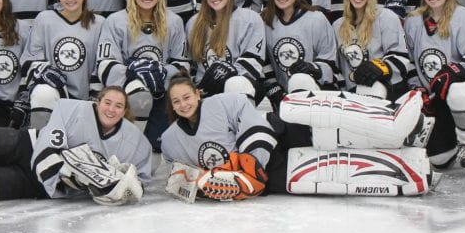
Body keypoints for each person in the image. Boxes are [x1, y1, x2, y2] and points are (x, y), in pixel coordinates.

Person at [160, 75, 433, 200]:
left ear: (197, 93)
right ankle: (407, 167)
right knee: (333, 170)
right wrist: (210, 186)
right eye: (177, 102)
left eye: (187, 97)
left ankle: (396, 124)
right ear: (171, 106)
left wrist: (251, 162)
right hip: (264, 178)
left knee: (329, 125)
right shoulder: (171, 140)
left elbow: (250, 117)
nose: (183, 104)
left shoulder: (221, 103)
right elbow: (179, 178)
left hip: (278, 135)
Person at [0, 86, 152, 204]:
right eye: (107, 102)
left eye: (118, 106)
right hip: (25, 144)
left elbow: (139, 183)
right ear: (98, 103)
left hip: (34, 185)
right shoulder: (73, 109)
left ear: (124, 112)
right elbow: (47, 148)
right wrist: (70, 173)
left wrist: (119, 188)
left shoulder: (135, 142)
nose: (111, 109)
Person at [403, 0, 465, 170]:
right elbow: (409, 61)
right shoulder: (413, 21)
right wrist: (418, 89)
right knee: (439, 159)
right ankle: (454, 138)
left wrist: (455, 71)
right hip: (434, 96)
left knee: (460, 93)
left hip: (459, 91)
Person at [96, 0, 187, 149]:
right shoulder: (116, 21)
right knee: (139, 96)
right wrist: (134, 73)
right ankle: (130, 144)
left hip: (161, 90)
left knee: (157, 147)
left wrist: (161, 72)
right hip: (126, 92)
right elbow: (105, 64)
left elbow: (182, 64)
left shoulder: (174, 21)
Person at [23, 0, 103, 129]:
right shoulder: (45, 19)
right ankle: (38, 143)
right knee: (42, 92)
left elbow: (101, 63)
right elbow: (29, 59)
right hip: (54, 94)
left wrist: (95, 96)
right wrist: (43, 72)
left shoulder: (99, 23)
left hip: (84, 97)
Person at [186, 0, 267, 101]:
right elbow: (193, 67)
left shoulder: (250, 19)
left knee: (235, 85)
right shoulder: (193, 23)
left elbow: (253, 63)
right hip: (205, 89)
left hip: (241, 85)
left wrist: (223, 75)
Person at [333, 0, 411, 100]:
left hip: (387, 90)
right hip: (353, 92)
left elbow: (401, 59)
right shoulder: (337, 26)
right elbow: (337, 69)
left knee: (370, 88)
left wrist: (380, 67)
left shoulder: (386, 17)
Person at [260, 0, 337, 102]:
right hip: (283, 93)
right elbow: (265, 64)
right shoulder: (265, 21)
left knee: (299, 79)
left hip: (317, 91)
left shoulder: (316, 19)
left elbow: (330, 65)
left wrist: (313, 68)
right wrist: (275, 91)